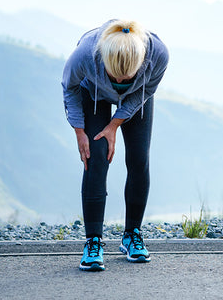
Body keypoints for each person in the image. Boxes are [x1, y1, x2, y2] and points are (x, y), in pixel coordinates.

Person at [62, 19, 169, 271]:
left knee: (139, 157)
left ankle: (132, 234)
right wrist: (79, 131)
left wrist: (114, 125)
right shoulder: (84, 55)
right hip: (93, 93)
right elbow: (69, 88)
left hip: (137, 96)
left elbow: (148, 91)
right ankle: (93, 241)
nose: (120, 82)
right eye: (115, 77)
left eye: (126, 78)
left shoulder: (158, 55)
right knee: (95, 156)